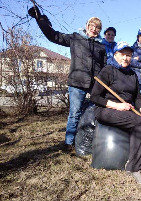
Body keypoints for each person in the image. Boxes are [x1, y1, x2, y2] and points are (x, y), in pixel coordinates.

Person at [28, 6, 107, 152]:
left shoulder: (101, 47)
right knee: (75, 113)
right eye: (92, 26)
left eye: (97, 28)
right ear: (87, 26)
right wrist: (40, 19)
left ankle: (92, 139)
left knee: (97, 111)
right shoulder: (75, 38)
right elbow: (53, 35)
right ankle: (69, 143)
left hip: (94, 84)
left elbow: (104, 67)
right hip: (77, 82)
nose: (94, 29)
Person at [90, 42, 141, 185]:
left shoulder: (132, 74)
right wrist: (116, 105)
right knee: (139, 122)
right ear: (115, 55)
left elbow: (137, 97)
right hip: (106, 109)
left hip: (127, 108)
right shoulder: (108, 70)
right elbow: (95, 97)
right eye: (122, 54)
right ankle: (134, 168)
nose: (125, 58)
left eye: (129, 55)